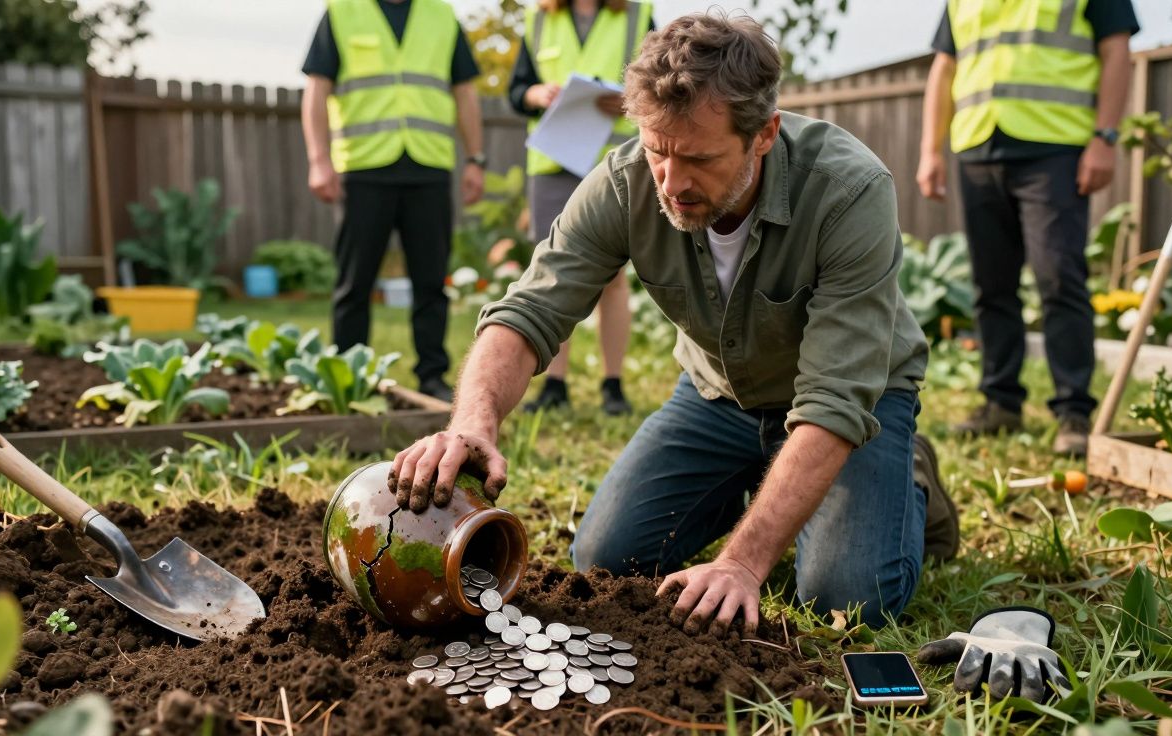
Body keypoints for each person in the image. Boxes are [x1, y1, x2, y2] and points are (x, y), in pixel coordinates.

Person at [387, 12, 961, 635]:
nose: (672, 182)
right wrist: (473, 422)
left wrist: (742, 564)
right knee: (605, 558)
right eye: (658, 150)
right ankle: (756, 480)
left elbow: (835, 398)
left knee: (843, 600)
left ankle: (908, 480)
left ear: (764, 133)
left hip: (850, 407)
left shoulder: (848, 191)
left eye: (699, 159)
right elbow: (529, 311)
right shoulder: (627, 180)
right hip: (719, 398)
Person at [917, 0, 1139, 456]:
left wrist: (1106, 137)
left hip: (1055, 146)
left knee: (1058, 278)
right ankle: (1000, 402)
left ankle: (1073, 411)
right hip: (978, 145)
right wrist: (931, 150)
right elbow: (945, 67)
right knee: (990, 285)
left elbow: (1117, 51)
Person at [301, 0, 487, 402]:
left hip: (429, 166)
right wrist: (319, 160)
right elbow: (316, 90)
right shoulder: (341, 12)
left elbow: (465, 92)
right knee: (355, 283)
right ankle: (349, 378)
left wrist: (474, 159)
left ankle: (432, 376)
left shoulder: (440, 15)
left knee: (431, 282)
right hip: (364, 168)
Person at [508, 0, 654, 416]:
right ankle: (553, 384)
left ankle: (613, 384)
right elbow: (516, 92)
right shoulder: (538, 19)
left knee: (614, 278)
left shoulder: (636, 17)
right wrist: (537, 93)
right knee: (552, 273)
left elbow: (667, 82)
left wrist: (630, 98)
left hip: (616, 163)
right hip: (552, 165)